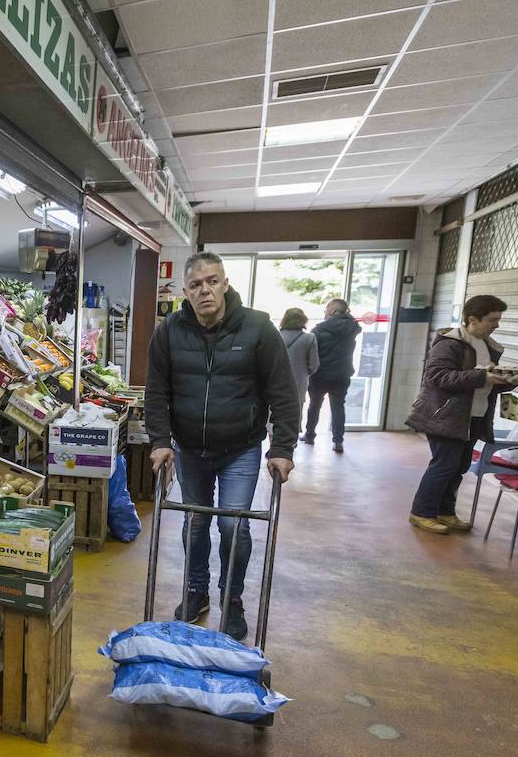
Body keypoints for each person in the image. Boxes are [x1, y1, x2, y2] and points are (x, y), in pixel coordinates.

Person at [145, 252, 299, 641]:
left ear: (226, 284)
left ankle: (231, 598)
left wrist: (282, 447)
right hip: (189, 448)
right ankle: (196, 591)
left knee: (233, 525)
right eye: (196, 285)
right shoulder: (169, 332)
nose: (205, 290)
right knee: (195, 522)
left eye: (212, 281)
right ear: (186, 291)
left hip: (240, 449)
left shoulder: (259, 329)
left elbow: (283, 392)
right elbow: (156, 392)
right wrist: (161, 442)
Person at [406, 295, 515, 535]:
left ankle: (445, 512)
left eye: (499, 319)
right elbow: (437, 377)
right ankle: (421, 513)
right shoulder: (450, 344)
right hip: (445, 416)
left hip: (474, 416)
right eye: (492, 320)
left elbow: (484, 382)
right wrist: (481, 376)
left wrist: (506, 381)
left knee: (459, 466)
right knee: (444, 465)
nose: (496, 325)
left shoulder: (489, 346)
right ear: (472, 319)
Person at [303, 299, 362, 453]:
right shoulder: (352, 328)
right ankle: (338, 441)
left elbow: (311, 353)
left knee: (314, 405)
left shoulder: (319, 330)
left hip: (320, 374)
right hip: (342, 374)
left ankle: (309, 435)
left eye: (327, 308)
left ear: (333, 310)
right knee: (338, 407)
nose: (325, 310)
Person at [279, 308, 320, 428]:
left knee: (275, 414)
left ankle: (274, 443)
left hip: (274, 382)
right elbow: (314, 365)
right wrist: (303, 372)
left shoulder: (275, 335)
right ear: (303, 320)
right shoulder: (309, 338)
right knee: (294, 415)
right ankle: (290, 444)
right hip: (298, 382)